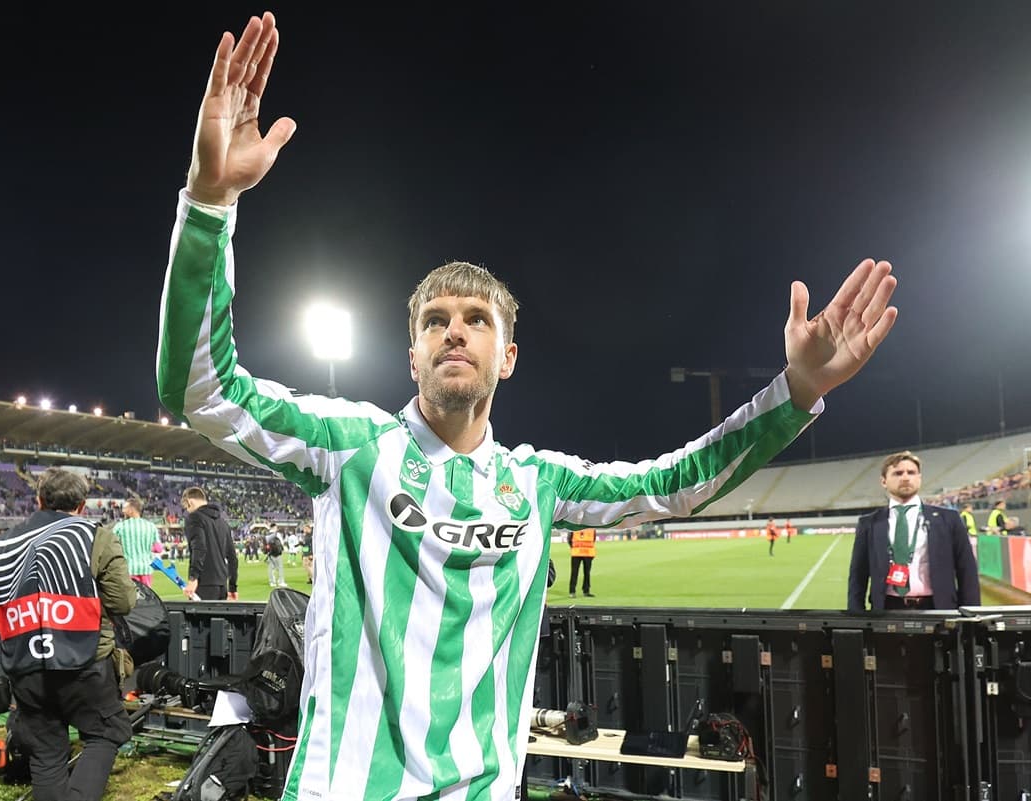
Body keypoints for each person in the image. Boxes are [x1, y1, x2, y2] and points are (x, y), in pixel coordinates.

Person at [154, 12, 897, 799]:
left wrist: (799, 390)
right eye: (434, 322)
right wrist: (209, 201)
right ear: (410, 354)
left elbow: (676, 481)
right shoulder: (352, 445)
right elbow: (202, 386)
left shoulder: (538, 482)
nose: (454, 333)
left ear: (507, 357)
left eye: (477, 321)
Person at [0, 468, 138, 801]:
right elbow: (122, 601)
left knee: (46, 749)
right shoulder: (95, 535)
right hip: (85, 660)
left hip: (24, 664)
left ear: (39, 500)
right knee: (105, 733)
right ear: (82, 505)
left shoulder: (4, 542)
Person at [847, 451, 980, 612]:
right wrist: (855, 615)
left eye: (911, 472)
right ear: (884, 481)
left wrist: (972, 615)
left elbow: (967, 570)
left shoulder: (948, 519)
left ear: (919, 478)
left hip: (938, 607)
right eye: (897, 473)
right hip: (887, 609)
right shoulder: (869, 523)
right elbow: (858, 575)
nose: (905, 477)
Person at [180, 487, 239, 601]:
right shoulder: (223, 523)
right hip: (222, 585)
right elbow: (232, 557)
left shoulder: (194, 518)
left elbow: (199, 548)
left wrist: (193, 578)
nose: (187, 510)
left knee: (200, 618)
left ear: (189, 502)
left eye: (187, 507)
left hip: (204, 584)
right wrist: (232, 587)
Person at [113, 497, 160, 585]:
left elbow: (111, 546)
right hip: (146, 569)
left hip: (128, 570)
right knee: (146, 597)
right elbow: (158, 549)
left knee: (129, 597)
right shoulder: (151, 526)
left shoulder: (120, 527)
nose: (122, 511)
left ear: (131, 510)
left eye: (124, 508)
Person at [567, 527, 596, 598]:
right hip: (584, 552)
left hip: (579, 552)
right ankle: (583, 591)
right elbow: (594, 539)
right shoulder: (592, 528)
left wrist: (574, 547)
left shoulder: (573, 526)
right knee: (584, 573)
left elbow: (569, 539)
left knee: (577, 573)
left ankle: (573, 591)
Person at [265, 524, 287, 588]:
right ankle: (281, 581)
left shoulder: (267, 535)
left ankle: (272, 582)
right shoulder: (277, 534)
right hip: (277, 553)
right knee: (280, 568)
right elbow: (282, 543)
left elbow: (265, 545)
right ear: (274, 527)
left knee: (271, 568)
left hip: (270, 553)